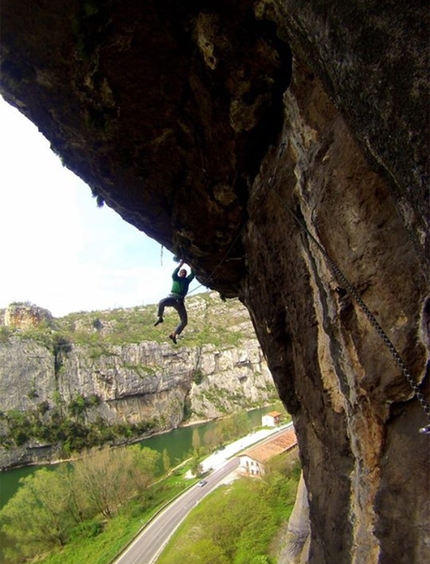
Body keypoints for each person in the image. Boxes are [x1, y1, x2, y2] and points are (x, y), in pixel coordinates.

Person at [154, 260, 195, 344]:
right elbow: (175, 272)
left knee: (184, 321)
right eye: (182, 272)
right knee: (162, 302)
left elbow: (193, 273)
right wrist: (181, 264)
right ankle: (160, 317)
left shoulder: (187, 281)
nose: (183, 273)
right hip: (173, 297)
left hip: (180, 302)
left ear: (185, 274)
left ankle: (174, 334)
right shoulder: (175, 278)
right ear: (179, 274)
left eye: (184, 272)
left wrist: (189, 263)